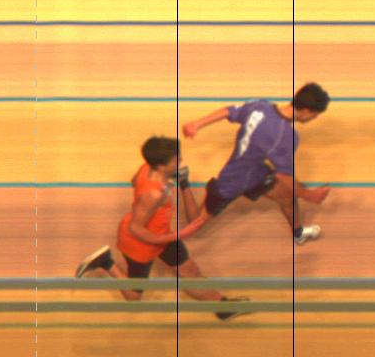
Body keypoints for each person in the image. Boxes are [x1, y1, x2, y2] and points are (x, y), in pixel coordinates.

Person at [74, 136, 249, 321]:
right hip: (139, 244)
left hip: (161, 235)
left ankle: (223, 308)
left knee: (190, 271)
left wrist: (180, 183)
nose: (181, 160)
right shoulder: (154, 194)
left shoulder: (146, 168)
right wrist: (180, 234)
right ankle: (106, 262)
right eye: (176, 159)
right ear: (160, 166)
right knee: (133, 296)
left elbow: (134, 181)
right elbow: (136, 229)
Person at [182, 83, 331, 245]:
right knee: (195, 223)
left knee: (288, 197)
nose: (314, 118)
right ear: (307, 111)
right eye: (315, 115)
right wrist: (309, 195)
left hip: (256, 172)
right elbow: (283, 177)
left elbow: (228, 111)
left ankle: (298, 233)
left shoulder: (260, 106)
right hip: (233, 179)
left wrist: (197, 124)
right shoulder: (287, 136)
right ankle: (183, 181)